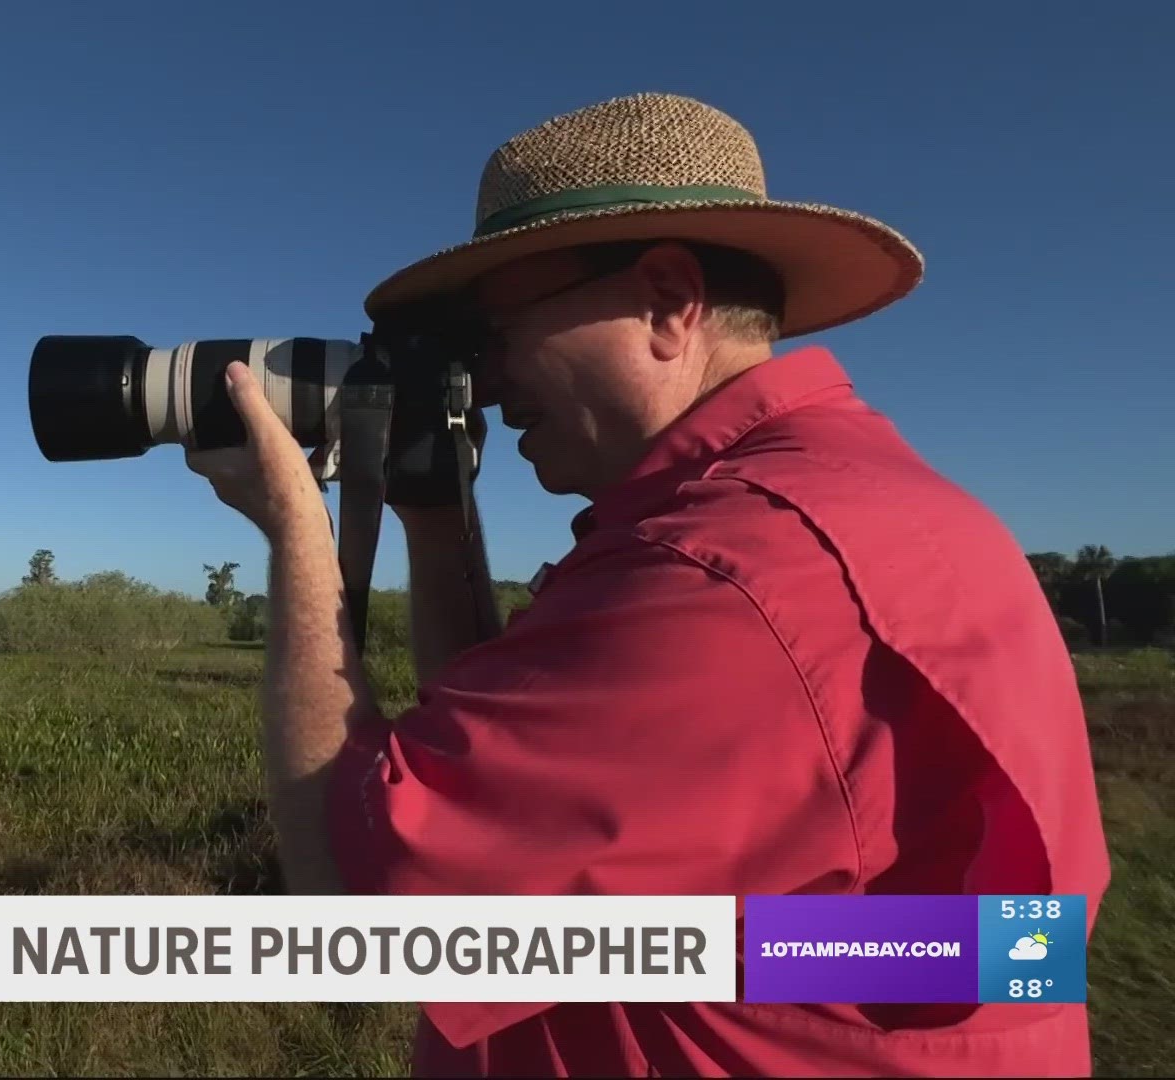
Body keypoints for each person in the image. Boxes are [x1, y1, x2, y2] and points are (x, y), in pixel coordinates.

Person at [186, 92, 1109, 1077]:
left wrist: (296, 533)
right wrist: (435, 507)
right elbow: (513, 778)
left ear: (668, 299)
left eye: (495, 331)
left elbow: (360, 925)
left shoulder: (728, 577)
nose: (485, 380)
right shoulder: (839, 504)